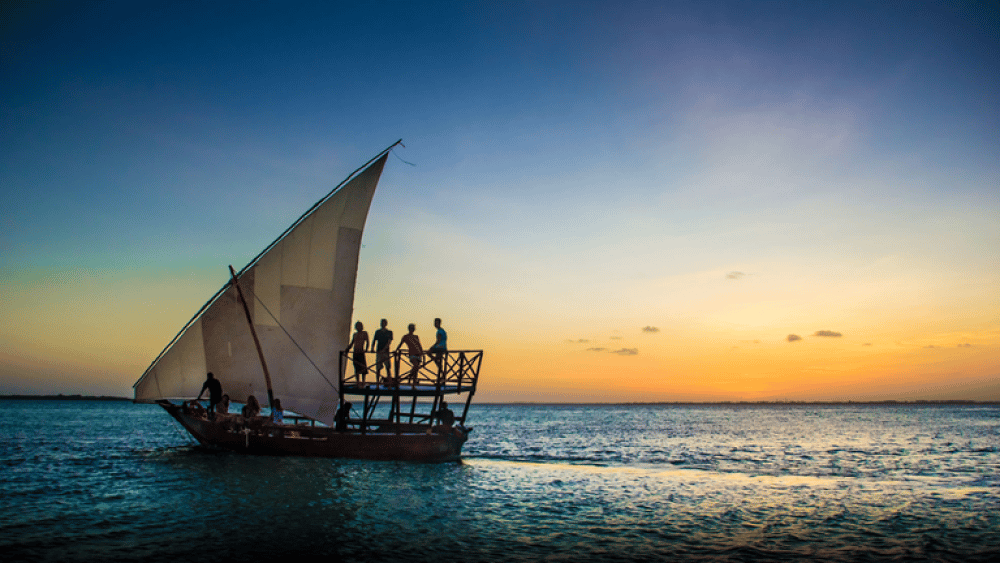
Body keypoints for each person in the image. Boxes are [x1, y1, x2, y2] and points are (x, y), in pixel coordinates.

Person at [371, 318, 394, 385]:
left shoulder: (389, 332)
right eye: (382, 323)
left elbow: (389, 342)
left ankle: (389, 382)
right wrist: (372, 348)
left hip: (386, 352)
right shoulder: (377, 332)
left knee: (388, 367)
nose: (383, 324)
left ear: (386, 324)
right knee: (378, 368)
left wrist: (384, 350)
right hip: (379, 351)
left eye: (384, 323)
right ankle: (377, 382)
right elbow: (374, 340)